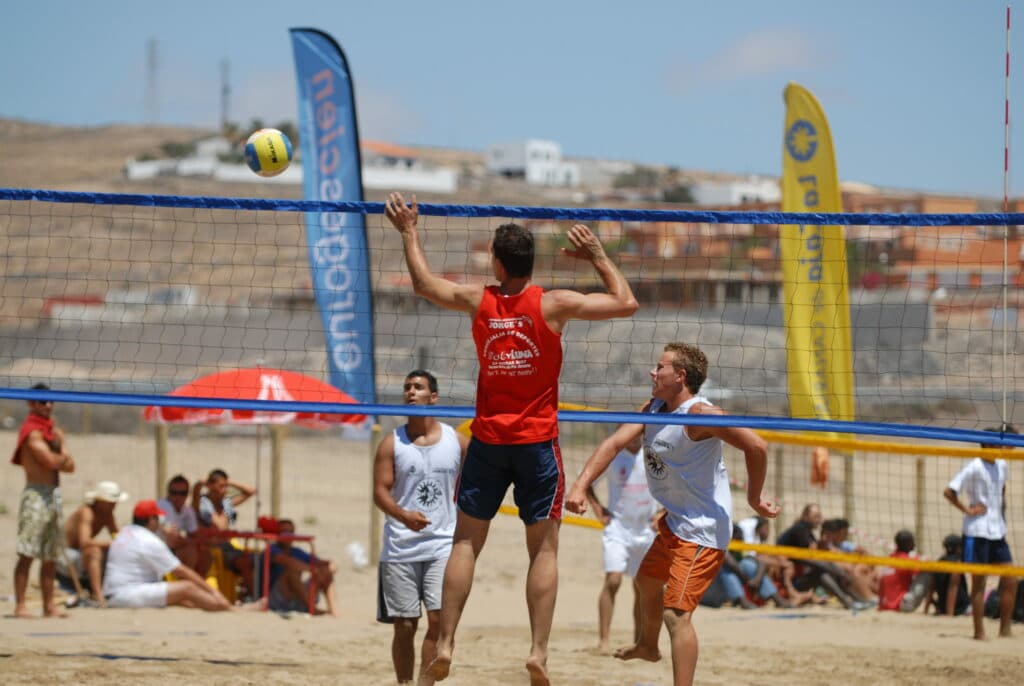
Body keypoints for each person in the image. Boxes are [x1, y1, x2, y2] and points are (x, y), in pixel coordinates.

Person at [385, 191, 638, 685]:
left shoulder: (479, 299)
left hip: (488, 441)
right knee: (543, 552)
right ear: (531, 263)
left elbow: (422, 284)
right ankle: (538, 652)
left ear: (498, 264)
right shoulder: (553, 303)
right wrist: (596, 255)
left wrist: (409, 231)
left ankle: (446, 642)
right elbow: (626, 302)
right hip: (537, 443)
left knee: (465, 542)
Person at [565, 342, 778, 686]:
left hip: (701, 530)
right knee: (646, 581)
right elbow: (614, 444)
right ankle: (648, 647)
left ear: (680, 376)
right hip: (674, 521)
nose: (652, 372)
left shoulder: (700, 415)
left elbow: (757, 446)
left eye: (660, 367)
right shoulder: (652, 408)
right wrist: (579, 486)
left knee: (676, 616)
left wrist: (754, 498)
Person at [373, 370, 469, 685]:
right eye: (407, 387)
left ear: (434, 397)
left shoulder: (456, 441)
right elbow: (379, 492)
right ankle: (404, 683)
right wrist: (403, 515)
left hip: (442, 544)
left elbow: (480, 479)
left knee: (439, 621)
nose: (411, 392)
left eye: (418, 387)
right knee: (404, 625)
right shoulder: (392, 443)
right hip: (400, 546)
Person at [943, 423, 1019, 639]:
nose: (1002, 447)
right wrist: (967, 509)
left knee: (1011, 578)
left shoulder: (1002, 464)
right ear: (987, 444)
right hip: (977, 531)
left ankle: (1005, 629)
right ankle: (979, 632)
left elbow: (1001, 490)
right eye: (997, 443)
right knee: (979, 582)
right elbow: (949, 491)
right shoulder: (974, 466)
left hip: (997, 531)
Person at [584, 434, 658, 653]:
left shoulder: (654, 455)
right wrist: (598, 510)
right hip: (618, 528)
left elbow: (676, 486)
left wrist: (663, 514)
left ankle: (639, 641)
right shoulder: (613, 454)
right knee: (613, 580)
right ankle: (604, 641)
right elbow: (586, 482)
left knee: (642, 587)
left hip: (645, 530)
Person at [10, 384, 75, 618]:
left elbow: (71, 466)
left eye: (50, 401)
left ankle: (49, 606)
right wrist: (62, 454)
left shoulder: (52, 431)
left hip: (53, 494)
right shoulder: (32, 432)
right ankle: (20, 605)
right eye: (42, 401)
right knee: (28, 552)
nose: (48, 405)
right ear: (31, 403)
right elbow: (50, 461)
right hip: (36, 494)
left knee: (50, 555)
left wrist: (61, 454)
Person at [102, 499, 234, 611]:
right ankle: (228, 608)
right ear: (151, 520)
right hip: (127, 594)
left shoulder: (125, 532)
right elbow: (182, 571)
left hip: (113, 593)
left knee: (183, 598)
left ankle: (218, 606)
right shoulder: (148, 540)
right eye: (157, 518)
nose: (160, 522)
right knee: (188, 587)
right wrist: (214, 592)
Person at [776, 504, 873, 611]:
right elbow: (811, 559)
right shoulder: (800, 530)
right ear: (805, 516)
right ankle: (851, 602)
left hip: (798, 578)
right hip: (787, 584)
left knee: (833, 572)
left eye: (819, 516)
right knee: (826, 572)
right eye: (816, 516)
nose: (819, 519)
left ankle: (857, 601)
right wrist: (839, 572)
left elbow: (813, 557)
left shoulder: (807, 533)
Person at [59, 480, 128, 607]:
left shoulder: (107, 515)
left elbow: (117, 536)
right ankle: (97, 595)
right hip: (66, 556)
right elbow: (84, 542)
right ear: (100, 501)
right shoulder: (86, 513)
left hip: (80, 555)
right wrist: (110, 544)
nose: (115, 505)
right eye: (111, 502)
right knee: (94, 552)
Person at [193, 468, 257, 596]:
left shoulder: (226, 503)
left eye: (226, 486)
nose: (225, 490)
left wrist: (229, 482)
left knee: (259, 559)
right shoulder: (202, 503)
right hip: (211, 549)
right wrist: (201, 484)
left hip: (227, 547)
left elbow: (251, 491)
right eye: (221, 486)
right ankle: (253, 596)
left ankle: (249, 593)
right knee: (244, 563)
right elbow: (195, 492)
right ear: (210, 486)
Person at [264, 518, 338, 617]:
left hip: (298, 594)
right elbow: (289, 562)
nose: (288, 535)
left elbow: (322, 563)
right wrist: (314, 570)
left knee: (326, 572)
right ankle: (312, 608)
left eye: (291, 532)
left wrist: (328, 568)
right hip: (278, 597)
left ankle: (334, 611)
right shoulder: (272, 550)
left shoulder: (296, 552)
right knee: (291, 571)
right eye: (284, 532)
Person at [156, 474, 200, 570]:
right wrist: (188, 541)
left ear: (187, 494)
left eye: (182, 493)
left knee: (203, 551)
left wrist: (188, 540)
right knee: (190, 550)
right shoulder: (163, 506)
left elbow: (196, 535)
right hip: (156, 552)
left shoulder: (187, 510)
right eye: (174, 493)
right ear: (168, 493)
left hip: (168, 551)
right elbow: (172, 540)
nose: (178, 497)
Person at [877, 530, 919, 611]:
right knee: (927, 573)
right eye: (912, 542)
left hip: (883, 605)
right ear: (907, 544)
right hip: (899, 605)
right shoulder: (908, 560)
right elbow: (919, 575)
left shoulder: (889, 558)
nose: (914, 545)